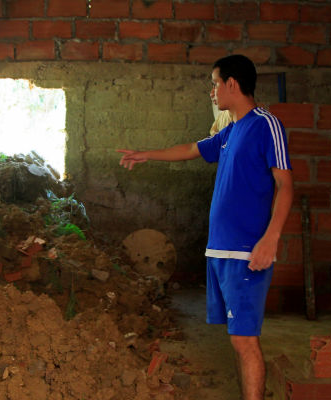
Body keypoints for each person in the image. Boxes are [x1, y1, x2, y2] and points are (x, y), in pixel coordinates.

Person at [117, 54, 293, 400]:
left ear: (232, 84)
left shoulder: (265, 125)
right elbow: (190, 148)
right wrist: (146, 154)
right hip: (220, 250)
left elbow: (286, 185)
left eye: (214, 84)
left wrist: (270, 239)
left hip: (246, 250)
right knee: (236, 337)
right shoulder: (230, 131)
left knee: (245, 339)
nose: (212, 92)